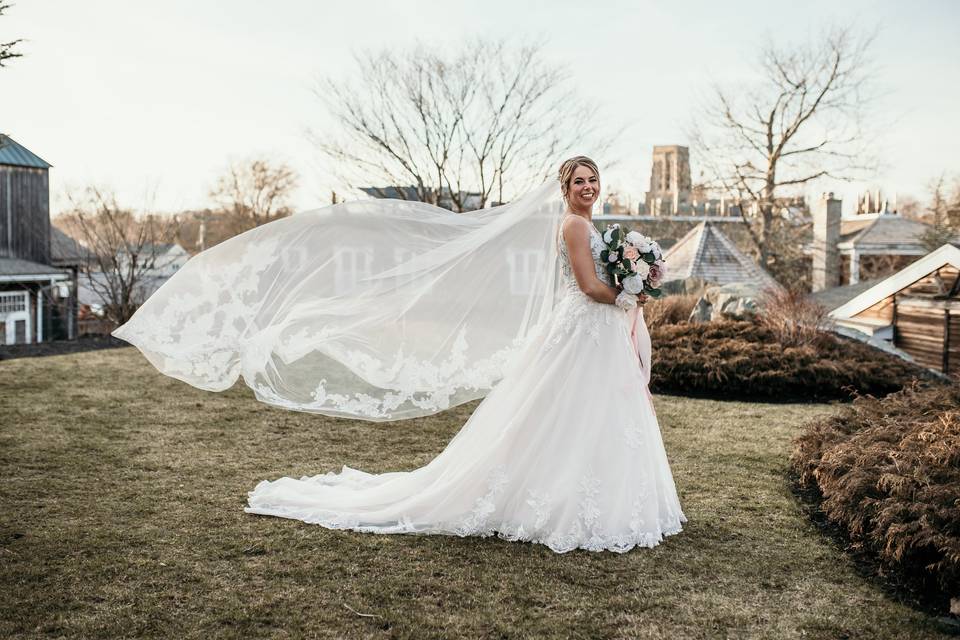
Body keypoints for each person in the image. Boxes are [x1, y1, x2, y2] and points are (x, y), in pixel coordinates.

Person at [113, 156, 686, 553]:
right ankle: (560, 503)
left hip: (594, 332)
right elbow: (589, 288)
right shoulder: (573, 228)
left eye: (593, 179)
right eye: (579, 180)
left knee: (590, 416)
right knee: (567, 414)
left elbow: (597, 283)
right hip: (584, 324)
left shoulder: (594, 228)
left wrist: (633, 279)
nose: (588, 186)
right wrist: (634, 289)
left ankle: (592, 497)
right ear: (564, 189)